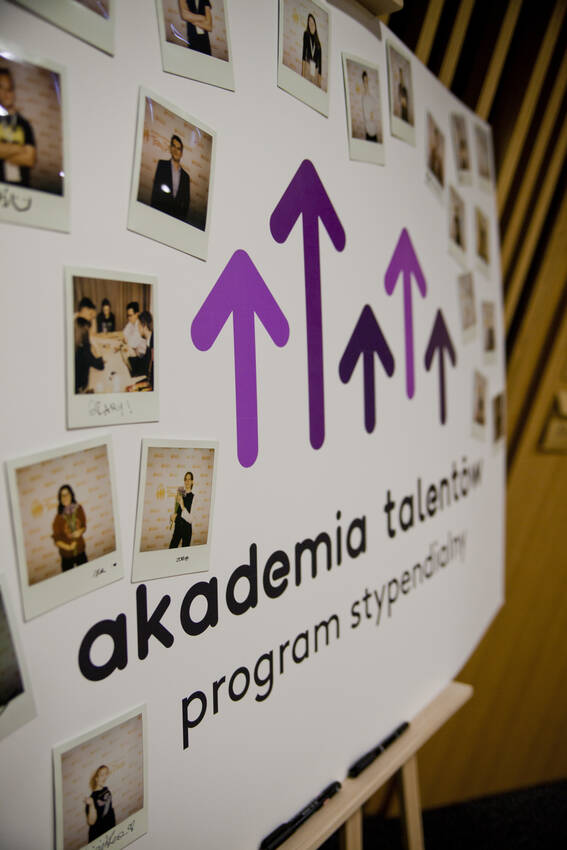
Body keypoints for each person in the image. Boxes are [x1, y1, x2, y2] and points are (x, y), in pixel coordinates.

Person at [0, 67, 36, 188]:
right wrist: (20, 149)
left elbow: (30, 159)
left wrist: (5, 152)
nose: (7, 92)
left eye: (10, 88)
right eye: (2, 87)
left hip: (21, 190)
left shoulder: (24, 124)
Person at [150, 134, 190, 222]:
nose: (175, 150)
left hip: (176, 221)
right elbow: (155, 193)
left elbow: (186, 204)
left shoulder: (186, 177)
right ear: (170, 148)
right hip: (159, 216)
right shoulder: (161, 165)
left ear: (181, 153)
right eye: (173, 146)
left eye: (178, 148)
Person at [52, 485, 87, 571]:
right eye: (62, 495)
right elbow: (56, 539)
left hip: (80, 551)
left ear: (71, 495)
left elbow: (84, 526)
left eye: (67, 494)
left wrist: (80, 531)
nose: (65, 497)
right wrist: (69, 547)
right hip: (66, 556)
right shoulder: (58, 517)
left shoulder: (79, 509)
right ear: (60, 499)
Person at [84, 765, 116, 843]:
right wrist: (91, 805)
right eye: (102, 775)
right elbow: (91, 822)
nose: (105, 777)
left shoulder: (107, 790)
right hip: (98, 835)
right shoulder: (92, 798)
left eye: (106, 774)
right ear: (96, 778)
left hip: (111, 829)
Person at [75, 316, 104, 393]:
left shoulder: (77, 346)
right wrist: (97, 348)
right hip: (81, 389)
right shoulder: (84, 349)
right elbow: (100, 366)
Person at [169, 471, 194, 549]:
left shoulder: (194, 497)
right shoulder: (181, 491)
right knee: (172, 548)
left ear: (192, 481)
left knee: (185, 552)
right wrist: (173, 517)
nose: (187, 481)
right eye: (185, 479)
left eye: (189, 479)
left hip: (187, 529)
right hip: (178, 527)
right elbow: (177, 510)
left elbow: (191, 519)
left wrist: (182, 505)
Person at [123, 301, 148, 377]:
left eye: (130, 315)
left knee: (124, 367)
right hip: (135, 352)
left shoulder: (140, 325)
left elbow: (131, 343)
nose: (129, 318)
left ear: (137, 314)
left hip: (142, 357)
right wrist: (128, 339)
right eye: (128, 315)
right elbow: (124, 334)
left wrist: (127, 339)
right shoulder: (131, 323)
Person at [302, 14, 322, 88]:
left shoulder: (318, 43)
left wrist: (319, 82)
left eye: (312, 22)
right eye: (309, 22)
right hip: (307, 67)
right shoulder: (306, 34)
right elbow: (304, 53)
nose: (311, 24)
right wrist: (303, 72)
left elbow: (320, 64)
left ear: (315, 24)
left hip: (315, 71)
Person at [360, 71, 379, 142]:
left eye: (367, 80)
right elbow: (366, 116)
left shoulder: (372, 97)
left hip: (374, 128)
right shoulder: (363, 98)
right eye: (365, 81)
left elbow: (376, 110)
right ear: (363, 82)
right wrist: (370, 116)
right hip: (368, 129)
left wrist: (373, 114)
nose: (366, 82)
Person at [138, 310, 154, 389]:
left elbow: (152, 375)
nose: (138, 328)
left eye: (139, 325)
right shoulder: (149, 340)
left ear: (144, 325)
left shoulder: (153, 343)